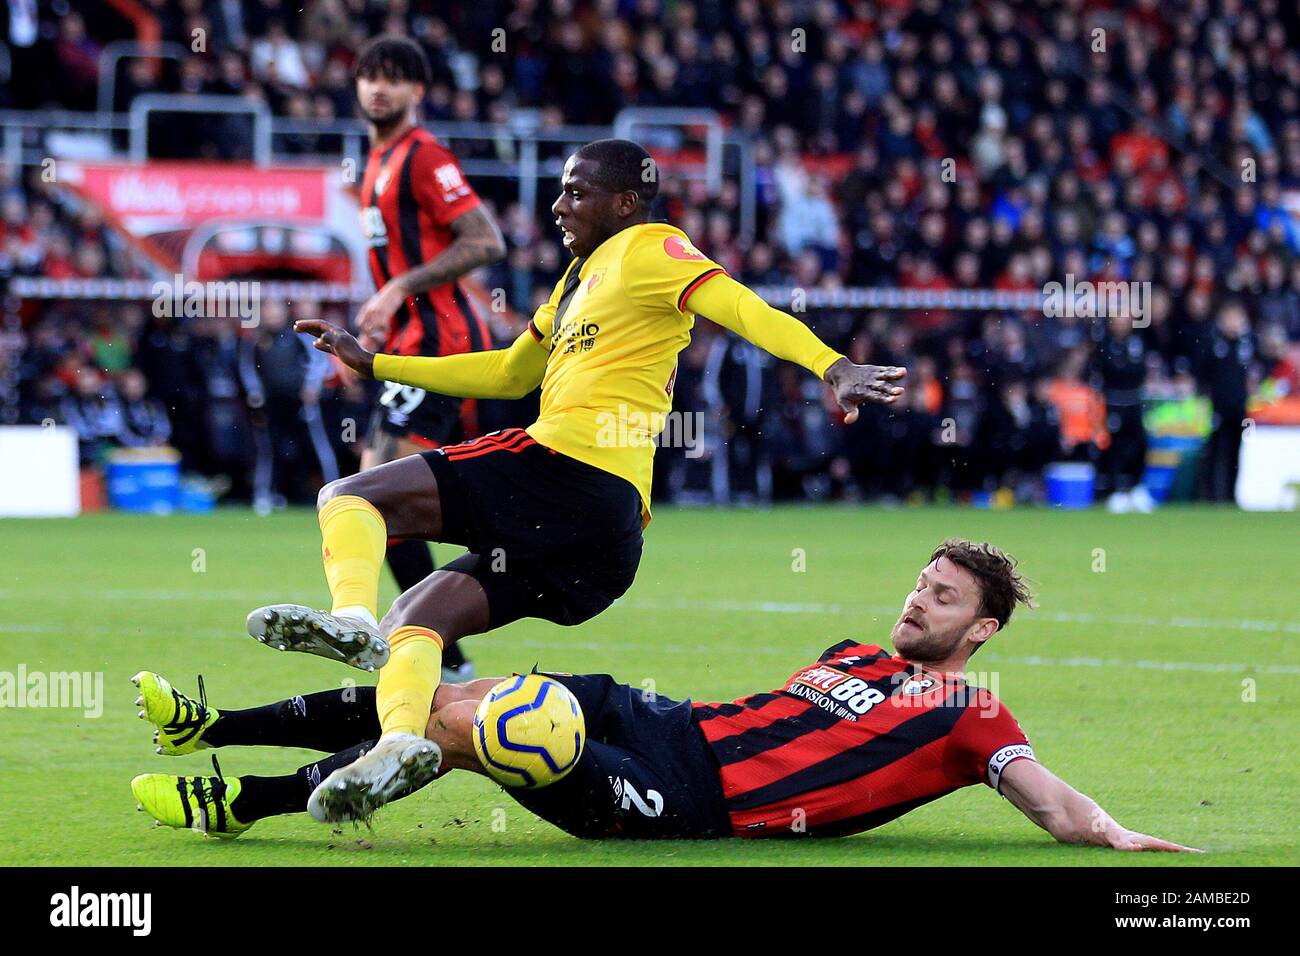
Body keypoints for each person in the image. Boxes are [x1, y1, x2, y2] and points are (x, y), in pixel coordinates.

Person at [244, 137, 908, 823]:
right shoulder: (573, 282)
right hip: (602, 544)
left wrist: (833, 367)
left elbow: (743, 308)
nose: (559, 205)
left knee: (349, 495)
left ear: (625, 202)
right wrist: (377, 365)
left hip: (568, 468)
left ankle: (349, 621)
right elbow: (508, 372)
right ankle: (403, 743)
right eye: (561, 190)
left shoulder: (653, 248)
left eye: (577, 192)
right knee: (419, 617)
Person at [132, 539, 1195, 852]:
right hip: (665, 717)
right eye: (919, 580)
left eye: (943, 594)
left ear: (982, 629)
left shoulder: (972, 712)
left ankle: (248, 799)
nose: (917, 598)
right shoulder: (851, 652)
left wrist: (1126, 840)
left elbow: (1051, 804)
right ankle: (209, 724)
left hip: (689, 796)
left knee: (466, 726)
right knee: (446, 687)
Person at [350, 35, 507, 681]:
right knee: (377, 498)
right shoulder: (376, 160)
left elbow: (486, 239)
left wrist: (398, 288)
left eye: (393, 78)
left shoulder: (424, 154)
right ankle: (444, 650)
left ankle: (411, 634)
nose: (378, 88)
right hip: (413, 341)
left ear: (418, 90)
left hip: (444, 342)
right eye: (368, 76)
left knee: (373, 493)